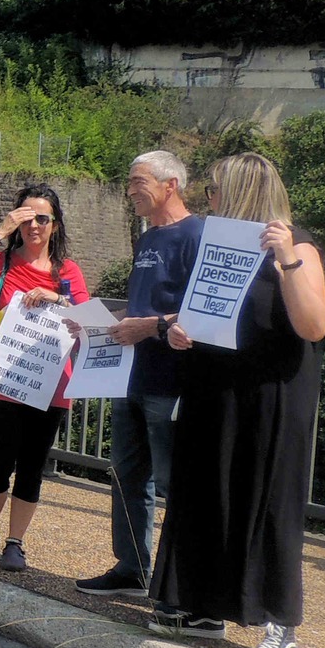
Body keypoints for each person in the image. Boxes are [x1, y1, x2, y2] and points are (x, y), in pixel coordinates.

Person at [153, 153, 325, 648]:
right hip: (216, 386)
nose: (208, 200)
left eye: (213, 191)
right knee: (211, 492)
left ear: (242, 194)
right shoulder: (215, 248)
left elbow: (315, 326)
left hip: (272, 393)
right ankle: (207, 607)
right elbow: (205, 312)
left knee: (270, 502)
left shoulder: (298, 250)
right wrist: (179, 328)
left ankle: (281, 623)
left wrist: (286, 261)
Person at [78, 150, 204, 598]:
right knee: (128, 474)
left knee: (173, 484)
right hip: (130, 377)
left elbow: (204, 311)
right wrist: (95, 321)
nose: (130, 190)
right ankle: (132, 568)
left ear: (170, 184)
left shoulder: (199, 234)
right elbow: (141, 309)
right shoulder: (148, 239)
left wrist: (149, 326)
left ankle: (183, 583)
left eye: (138, 181)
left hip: (172, 381)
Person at [0, 183, 89, 572]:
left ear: (55, 226)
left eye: (41, 218)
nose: (34, 226)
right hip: (4, 381)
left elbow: (85, 314)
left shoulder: (67, 272)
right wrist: (1, 230)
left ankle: (16, 541)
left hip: (52, 386)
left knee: (31, 466)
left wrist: (55, 298)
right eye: (26, 217)